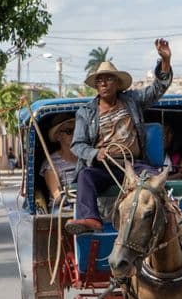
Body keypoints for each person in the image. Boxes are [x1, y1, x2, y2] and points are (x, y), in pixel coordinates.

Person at [66, 38, 173, 234]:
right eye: (99, 80)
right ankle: (90, 219)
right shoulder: (85, 112)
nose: (103, 83)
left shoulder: (132, 100)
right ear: (96, 86)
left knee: (156, 180)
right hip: (104, 166)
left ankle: (165, 223)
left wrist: (165, 61)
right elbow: (77, 145)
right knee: (85, 176)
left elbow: (157, 89)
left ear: (117, 83)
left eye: (108, 79)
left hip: (133, 164)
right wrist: (94, 153)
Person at [39, 115, 78, 211]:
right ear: (58, 136)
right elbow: (57, 195)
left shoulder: (86, 156)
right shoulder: (51, 163)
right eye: (69, 131)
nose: (74, 134)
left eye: (77, 130)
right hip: (63, 208)